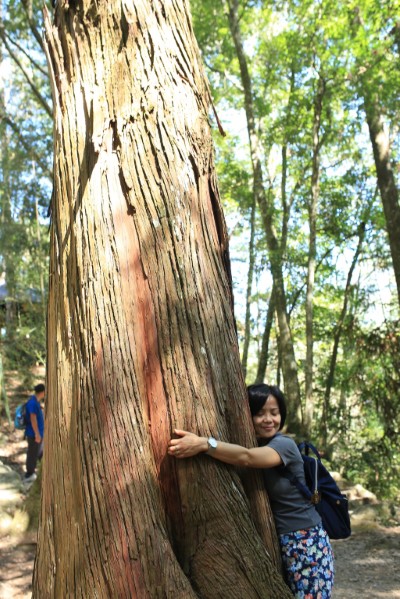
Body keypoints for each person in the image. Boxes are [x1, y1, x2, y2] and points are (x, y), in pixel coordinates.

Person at [167, 383, 334, 599]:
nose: (268, 419)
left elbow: (247, 457)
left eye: (274, 413)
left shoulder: (284, 445)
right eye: (260, 413)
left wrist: (203, 444)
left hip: (306, 541)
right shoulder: (256, 442)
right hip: (287, 541)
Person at [24, 383, 45, 483]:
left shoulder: (35, 402)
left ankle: (40, 471)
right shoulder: (32, 403)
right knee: (32, 453)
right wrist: (37, 434)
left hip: (38, 434)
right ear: (42, 392)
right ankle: (29, 474)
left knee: (40, 452)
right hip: (33, 435)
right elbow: (33, 419)